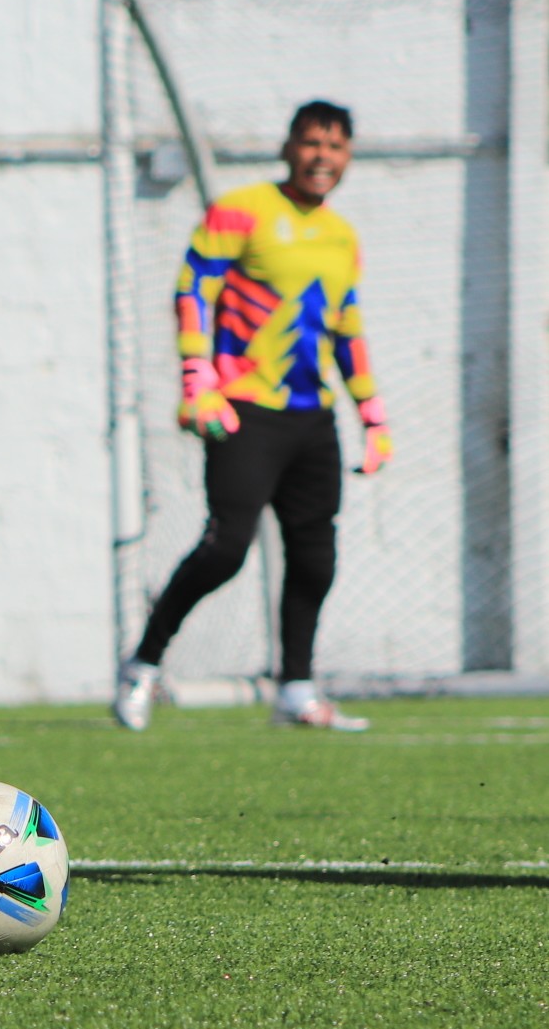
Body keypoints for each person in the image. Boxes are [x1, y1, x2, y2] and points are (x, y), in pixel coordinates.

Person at [114, 100, 393, 735]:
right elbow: (193, 291)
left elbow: (346, 327)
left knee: (316, 557)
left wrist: (373, 417)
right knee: (226, 549)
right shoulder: (240, 210)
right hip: (242, 410)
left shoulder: (343, 236)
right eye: (313, 142)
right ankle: (143, 665)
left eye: (336, 146)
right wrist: (196, 381)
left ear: (347, 157)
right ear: (289, 145)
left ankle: (296, 689)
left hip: (311, 416)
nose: (324, 155)